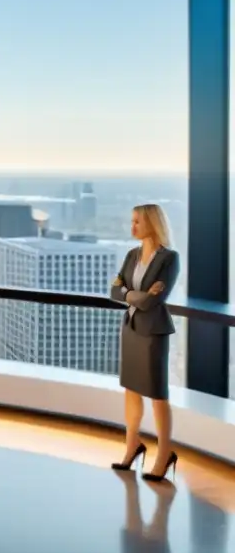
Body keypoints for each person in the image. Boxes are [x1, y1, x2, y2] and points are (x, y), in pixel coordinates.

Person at [109, 203, 180, 482]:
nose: (133, 227)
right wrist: (134, 294)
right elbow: (114, 291)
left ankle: (164, 455)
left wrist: (129, 293)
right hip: (131, 329)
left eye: (137, 221)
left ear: (152, 223)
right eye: (132, 221)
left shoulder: (169, 259)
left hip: (153, 332)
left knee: (158, 396)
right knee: (131, 391)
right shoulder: (131, 255)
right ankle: (132, 447)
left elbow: (154, 300)